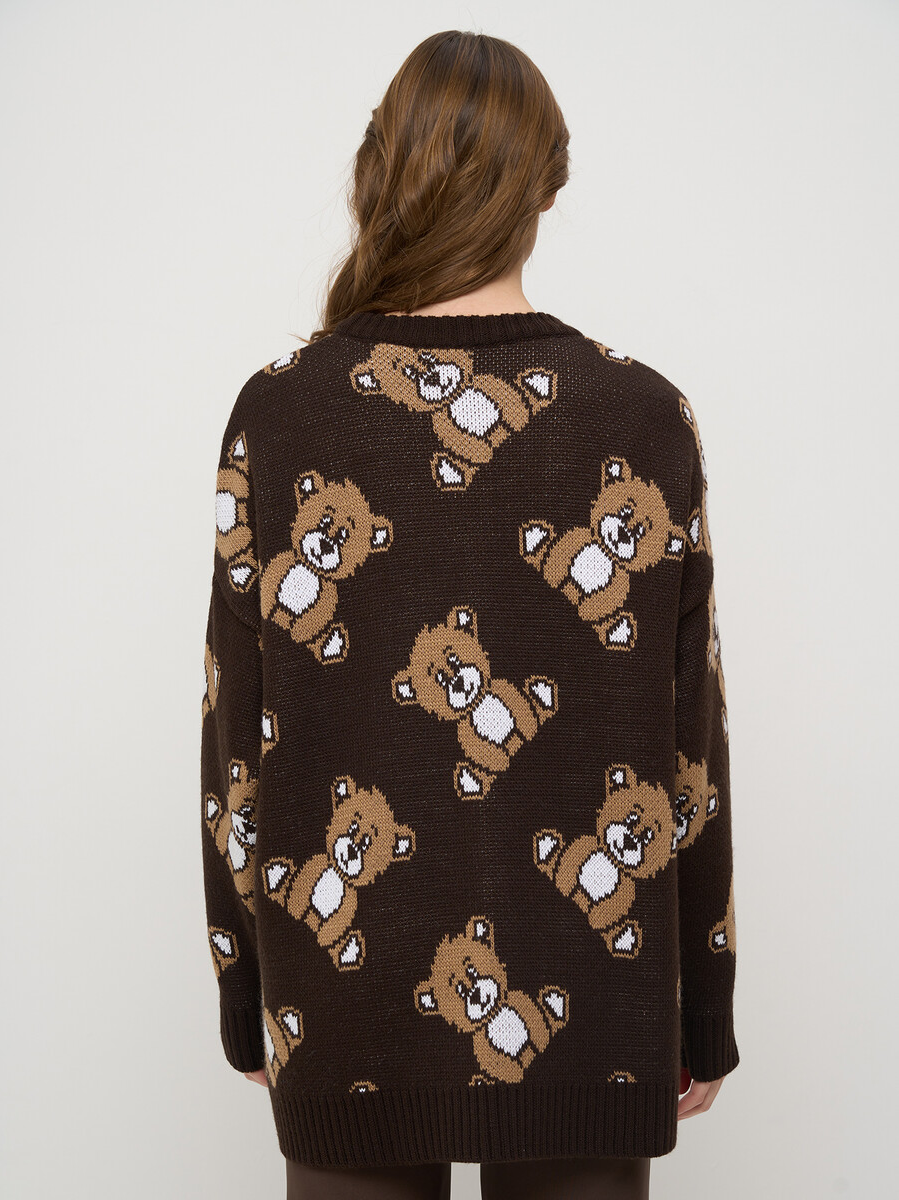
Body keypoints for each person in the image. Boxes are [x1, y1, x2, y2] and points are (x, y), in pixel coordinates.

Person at [200, 29, 739, 1200]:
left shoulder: (280, 416)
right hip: (595, 1008)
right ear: (546, 188)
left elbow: (235, 738)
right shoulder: (645, 419)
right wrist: (704, 1005)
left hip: (338, 1002)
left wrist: (244, 988)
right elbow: (690, 747)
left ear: (382, 172)